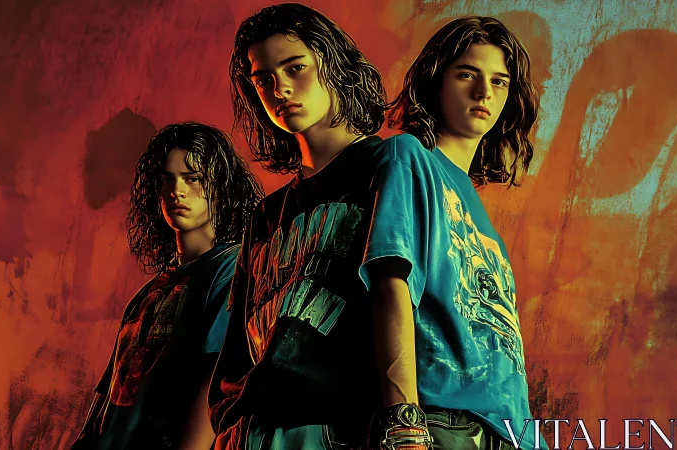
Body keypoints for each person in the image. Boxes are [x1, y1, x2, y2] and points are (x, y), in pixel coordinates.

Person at [361, 16, 548, 450]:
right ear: (436, 81)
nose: (484, 93)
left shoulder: (481, 215)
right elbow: (391, 282)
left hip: (509, 431)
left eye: (499, 82)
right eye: (467, 74)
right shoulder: (409, 157)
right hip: (444, 422)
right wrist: (402, 419)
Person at [207, 4, 389, 450]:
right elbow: (236, 345)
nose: (280, 88)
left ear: (331, 63)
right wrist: (229, 417)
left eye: (295, 67)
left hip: (336, 428)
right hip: (248, 432)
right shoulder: (265, 216)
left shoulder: (386, 167)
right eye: (263, 78)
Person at [71, 122, 263, 450]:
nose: (178, 190)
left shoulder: (230, 268)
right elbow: (108, 397)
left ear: (221, 186)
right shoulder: (146, 294)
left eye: (193, 178)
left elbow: (213, 380)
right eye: (167, 179)